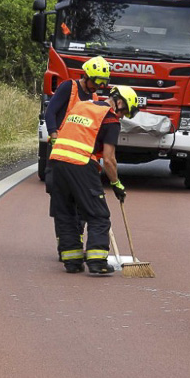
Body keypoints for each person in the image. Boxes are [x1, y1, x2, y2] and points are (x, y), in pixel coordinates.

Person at [49, 85, 139, 274]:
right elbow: (108, 159)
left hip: (57, 161)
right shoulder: (110, 119)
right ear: (120, 102)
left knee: (66, 214)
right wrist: (116, 184)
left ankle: (72, 261)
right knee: (98, 215)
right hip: (81, 164)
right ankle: (97, 261)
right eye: (124, 112)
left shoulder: (81, 106)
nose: (122, 117)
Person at [44, 56, 109, 258]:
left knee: (82, 200)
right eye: (96, 81)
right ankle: (64, 243)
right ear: (86, 76)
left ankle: (75, 243)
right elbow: (51, 112)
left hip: (82, 156)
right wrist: (54, 135)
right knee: (61, 199)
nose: (98, 87)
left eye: (102, 83)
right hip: (61, 150)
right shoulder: (68, 87)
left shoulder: (95, 99)